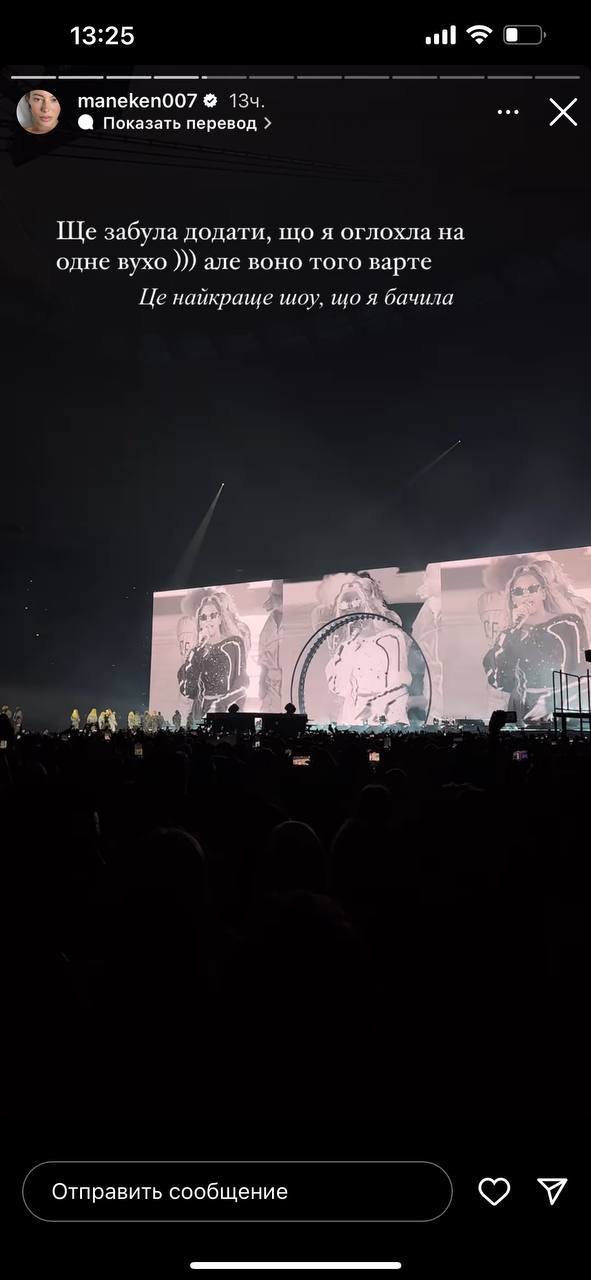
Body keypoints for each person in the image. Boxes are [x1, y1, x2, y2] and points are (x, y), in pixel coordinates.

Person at [483, 558, 590, 723]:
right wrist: (513, 630)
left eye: (532, 589)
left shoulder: (568, 624)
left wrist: (549, 703)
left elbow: (581, 674)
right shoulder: (509, 635)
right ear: (512, 599)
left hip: (564, 714)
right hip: (526, 716)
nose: (526, 595)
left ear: (543, 593)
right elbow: (500, 682)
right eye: (518, 591)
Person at [177, 587, 250, 721]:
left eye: (213, 615)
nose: (208, 620)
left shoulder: (234, 643)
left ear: (220, 618)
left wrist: (221, 704)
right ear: (199, 622)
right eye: (203, 617)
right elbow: (187, 690)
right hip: (201, 712)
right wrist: (198, 650)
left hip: (226, 710)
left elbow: (242, 682)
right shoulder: (196, 652)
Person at [257, 581, 283, 711]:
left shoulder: (295, 620)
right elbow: (263, 660)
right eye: (272, 594)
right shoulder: (269, 624)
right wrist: (261, 683)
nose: (272, 599)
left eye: (277, 596)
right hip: (271, 690)